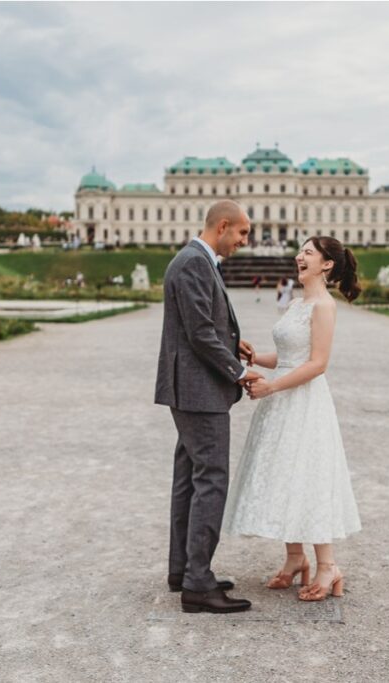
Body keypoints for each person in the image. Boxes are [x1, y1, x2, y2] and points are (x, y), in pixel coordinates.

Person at [223, 235, 362, 602]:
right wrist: (253, 357)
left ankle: (328, 565)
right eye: (300, 251)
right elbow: (289, 355)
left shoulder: (323, 306)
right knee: (286, 475)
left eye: (308, 252)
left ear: (327, 264)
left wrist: (272, 387)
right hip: (283, 398)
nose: (299, 256)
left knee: (309, 475)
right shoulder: (300, 303)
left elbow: (317, 364)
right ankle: (295, 559)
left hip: (303, 401)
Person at [154, 200, 262, 615]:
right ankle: (198, 583)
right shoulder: (195, 263)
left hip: (189, 388)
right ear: (222, 226)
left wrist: (234, 343)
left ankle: (183, 569)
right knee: (211, 478)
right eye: (242, 233)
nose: (244, 241)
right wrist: (238, 371)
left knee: (190, 475)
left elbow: (198, 324)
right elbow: (199, 332)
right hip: (199, 392)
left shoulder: (194, 260)